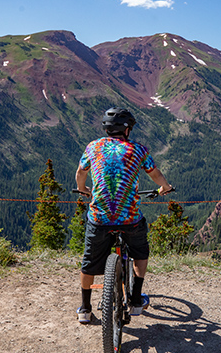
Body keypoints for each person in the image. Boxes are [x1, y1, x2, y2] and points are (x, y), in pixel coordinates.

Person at [75, 107, 174, 324]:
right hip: (129, 219)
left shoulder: (93, 147)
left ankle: (85, 308)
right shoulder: (138, 150)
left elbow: (81, 172)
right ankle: (136, 300)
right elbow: (154, 173)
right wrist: (165, 187)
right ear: (126, 129)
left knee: (89, 261)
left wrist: (83, 189)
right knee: (140, 252)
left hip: (99, 218)